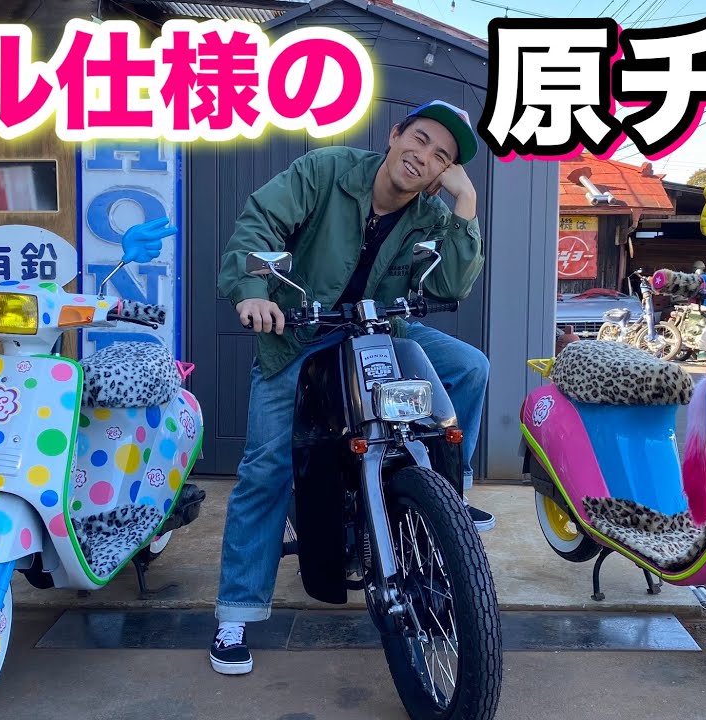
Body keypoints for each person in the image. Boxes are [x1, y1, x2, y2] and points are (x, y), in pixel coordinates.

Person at [209, 100, 491, 676]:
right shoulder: (327, 171)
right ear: (395, 134)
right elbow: (261, 223)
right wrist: (253, 293)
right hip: (297, 333)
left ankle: (447, 498)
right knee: (266, 467)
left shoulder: (432, 216)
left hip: (380, 330)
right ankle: (236, 612)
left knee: (470, 367)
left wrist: (466, 203)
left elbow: (450, 284)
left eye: (442, 157)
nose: (424, 157)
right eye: (420, 139)